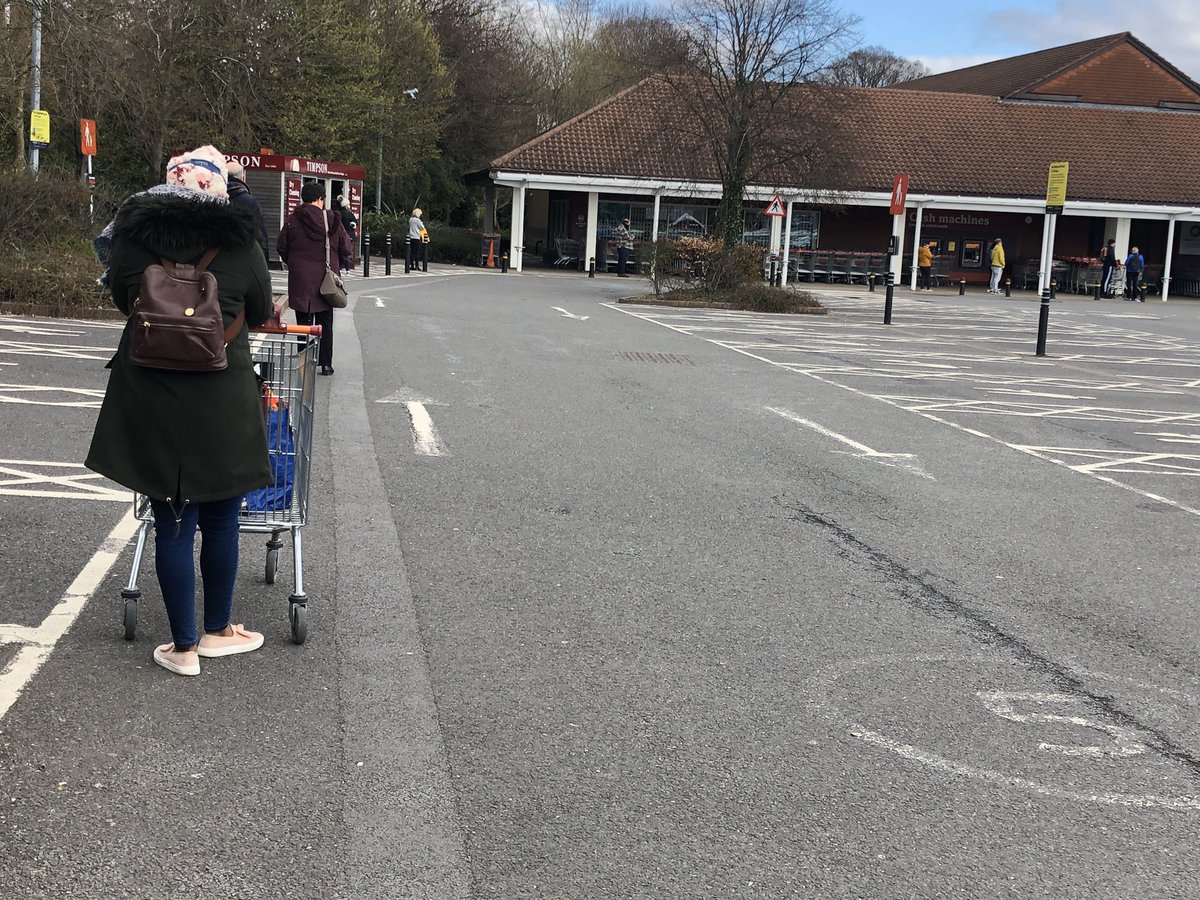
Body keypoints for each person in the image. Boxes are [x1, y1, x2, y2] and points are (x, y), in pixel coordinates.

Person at [86, 144, 274, 677]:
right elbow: (260, 308)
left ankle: (183, 647)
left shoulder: (133, 237)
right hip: (222, 395)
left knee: (171, 517)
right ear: (218, 188)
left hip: (153, 394)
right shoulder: (239, 240)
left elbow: (125, 300)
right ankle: (218, 631)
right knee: (221, 518)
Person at [277, 182, 351, 375]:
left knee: (302, 321)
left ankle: (304, 361)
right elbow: (346, 248)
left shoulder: (293, 220)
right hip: (325, 279)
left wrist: (294, 262)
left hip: (300, 278)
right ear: (321, 199)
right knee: (325, 320)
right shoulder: (332, 219)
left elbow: (281, 246)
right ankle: (326, 364)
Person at [225, 159, 268, 260]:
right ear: (242, 177)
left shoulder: (213, 198)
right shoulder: (249, 201)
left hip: (214, 261)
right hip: (244, 257)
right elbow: (260, 236)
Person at [337, 196, 357, 275]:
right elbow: (355, 223)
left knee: (340, 252)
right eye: (348, 204)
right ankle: (347, 269)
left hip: (340, 235)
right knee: (347, 252)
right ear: (346, 205)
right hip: (349, 235)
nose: (349, 206)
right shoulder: (349, 214)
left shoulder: (338, 213)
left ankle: (340, 268)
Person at [407, 207, 425, 271]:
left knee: (412, 251)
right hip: (416, 237)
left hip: (411, 236)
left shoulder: (411, 219)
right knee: (416, 252)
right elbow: (422, 228)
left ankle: (411, 265)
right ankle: (417, 266)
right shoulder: (418, 220)